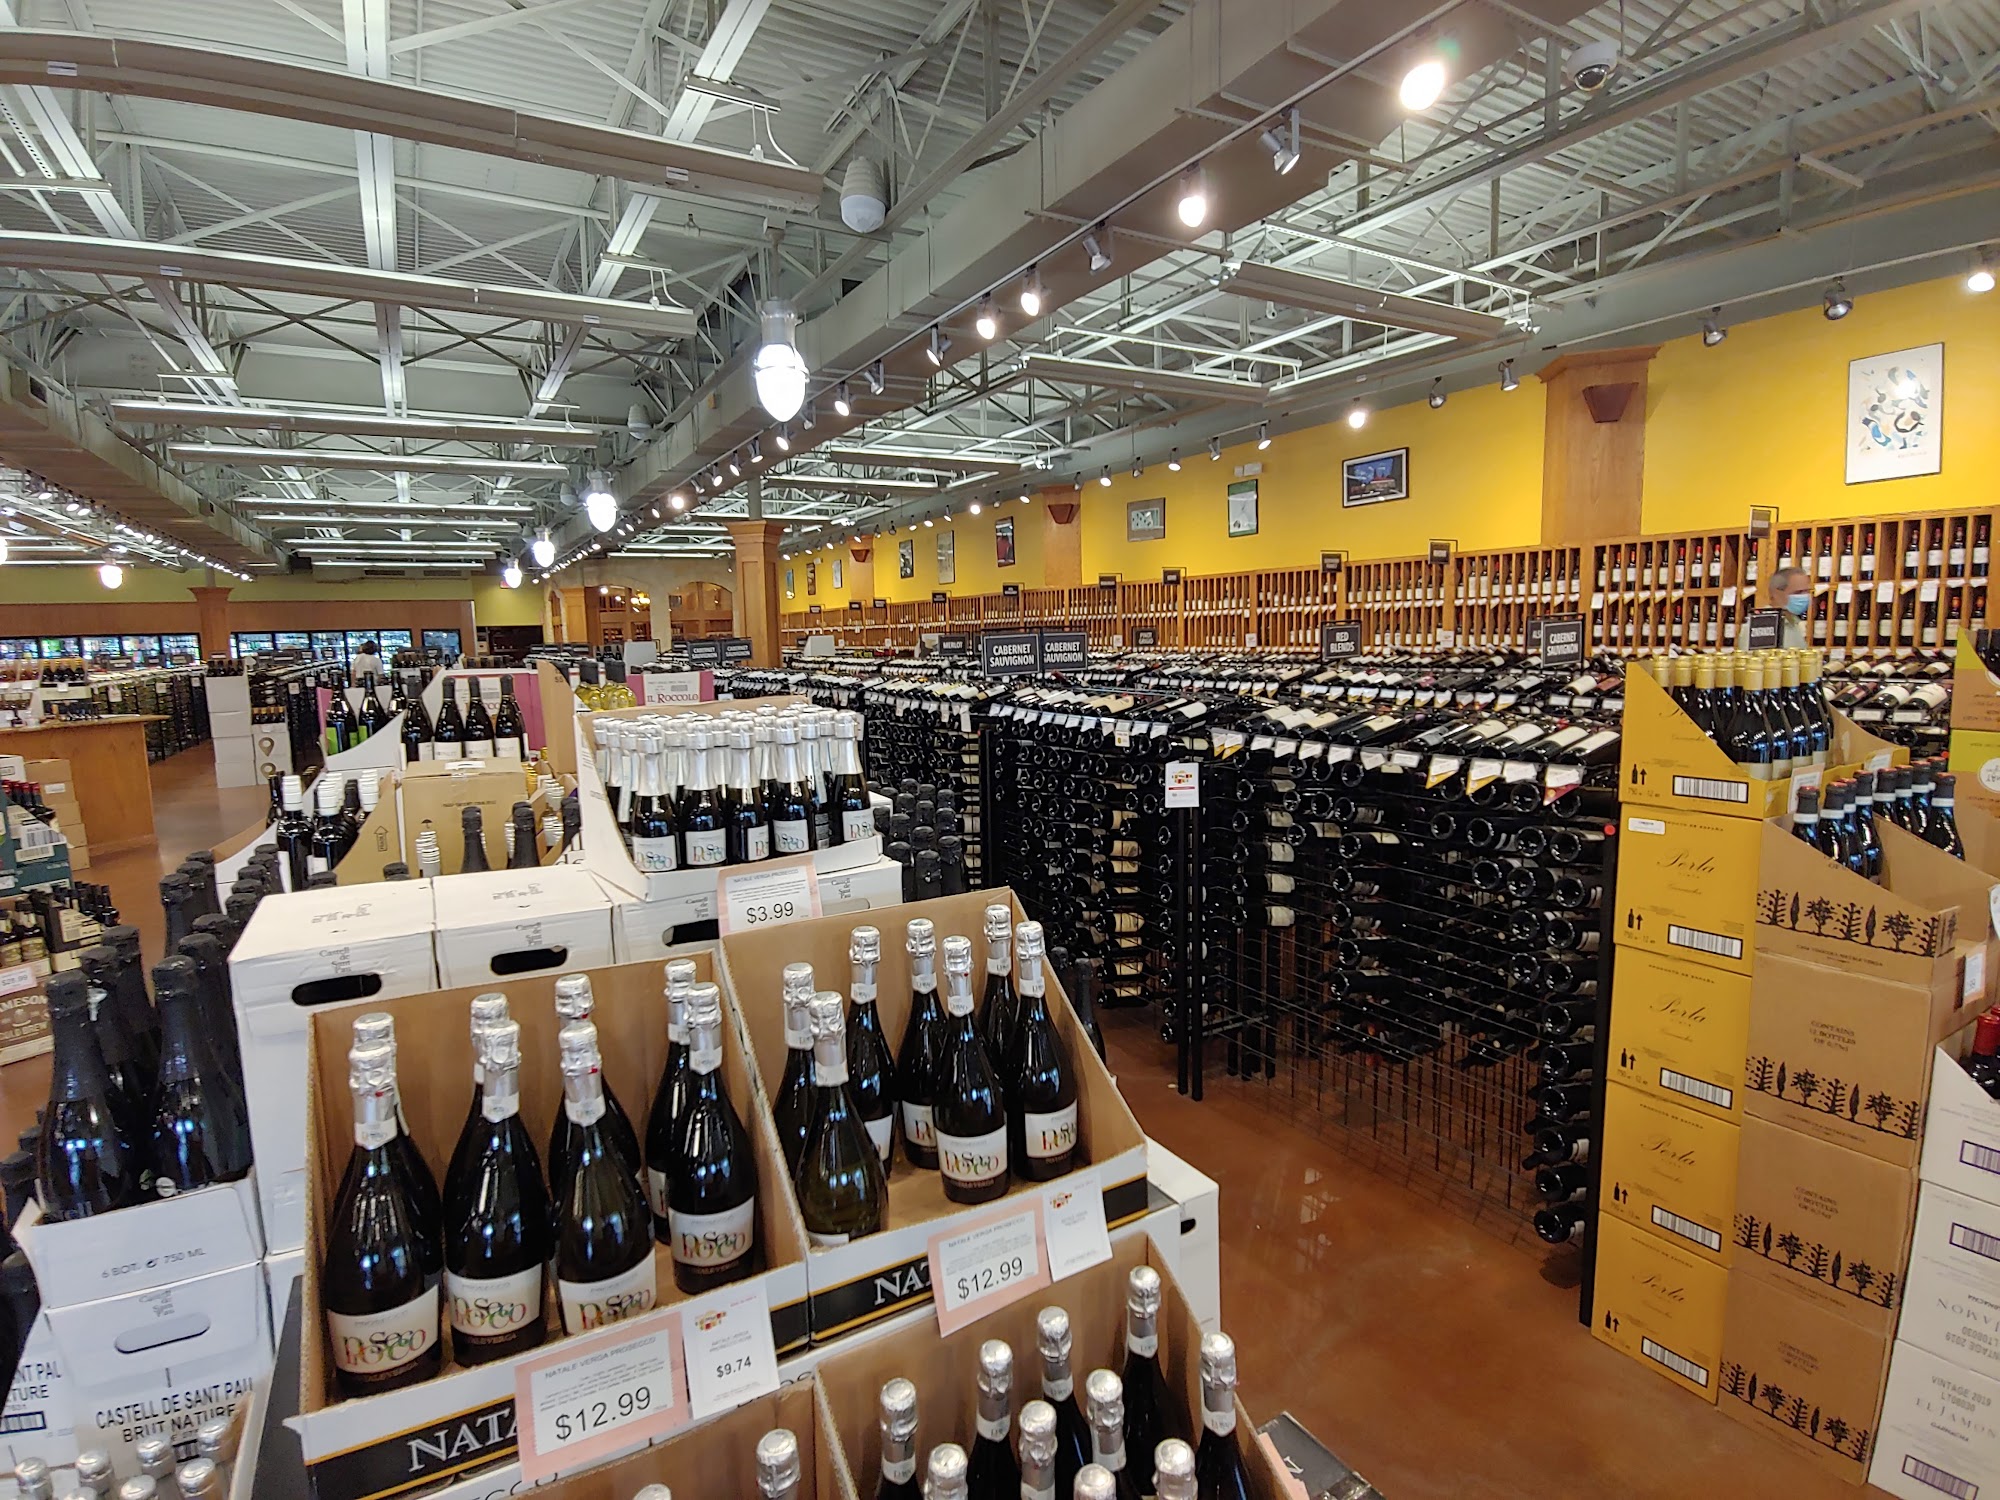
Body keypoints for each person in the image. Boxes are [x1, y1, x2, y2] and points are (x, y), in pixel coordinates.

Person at [1736, 565, 1811, 649]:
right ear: (1776, 593)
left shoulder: (1793, 622)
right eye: (1798, 592)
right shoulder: (1761, 624)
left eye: (1807, 591)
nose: (1805, 596)